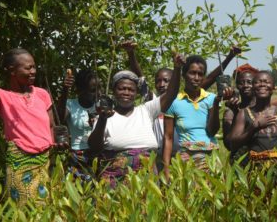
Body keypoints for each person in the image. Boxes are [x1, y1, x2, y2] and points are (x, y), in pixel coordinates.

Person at [0, 8, 56, 204]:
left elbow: (51, 126)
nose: (33, 71)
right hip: (21, 161)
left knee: (50, 209)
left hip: (47, 160)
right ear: (12, 71)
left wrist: (53, 149)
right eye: (28, 67)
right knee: (25, 210)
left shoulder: (42, 94)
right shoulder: (4, 98)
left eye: (34, 66)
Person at [121, 41, 241, 155]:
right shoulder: (154, 101)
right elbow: (141, 79)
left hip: (184, 154)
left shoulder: (180, 99)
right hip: (161, 155)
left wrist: (229, 57)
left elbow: (209, 78)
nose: (162, 84)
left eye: (166, 81)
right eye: (158, 81)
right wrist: (131, 54)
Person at [88, 53, 183, 188]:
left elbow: (171, 94)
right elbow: (94, 147)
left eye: (131, 90)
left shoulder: (146, 110)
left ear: (136, 93)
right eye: (121, 88)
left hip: (147, 177)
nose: (126, 92)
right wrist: (103, 119)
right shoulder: (104, 116)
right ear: (114, 92)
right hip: (116, 180)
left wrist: (177, 68)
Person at [163, 55, 233, 176]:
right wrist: (166, 170)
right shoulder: (174, 102)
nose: (196, 78)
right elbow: (168, 138)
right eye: (192, 73)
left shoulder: (211, 98)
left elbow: (212, 131)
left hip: (211, 158)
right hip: (186, 158)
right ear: (184, 75)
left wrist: (216, 103)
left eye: (200, 74)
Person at [226, 71, 277, 169]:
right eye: (258, 82)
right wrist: (253, 127)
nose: (262, 84)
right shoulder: (243, 113)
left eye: (267, 82)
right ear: (253, 87)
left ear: (274, 87)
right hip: (253, 170)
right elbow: (233, 144)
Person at [57, 69, 100, 181]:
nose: (97, 93)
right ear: (80, 90)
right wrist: (65, 90)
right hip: (78, 156)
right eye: (92, 90)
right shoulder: (71, 105)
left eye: (99, 88)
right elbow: (59, 119)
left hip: (98, 155)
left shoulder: (102, 106)